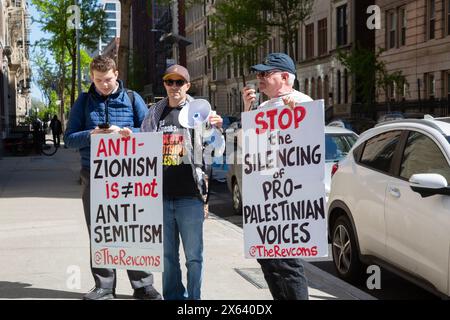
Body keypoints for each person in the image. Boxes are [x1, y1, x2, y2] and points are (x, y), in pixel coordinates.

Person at [64, 55, 162, 300]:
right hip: (94, 174)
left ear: (116, 74)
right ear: (91, 78)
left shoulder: (132, 98)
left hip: (130, 175)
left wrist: (131, 132)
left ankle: (143, 285)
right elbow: (69, 139)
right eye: (98, 80)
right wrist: (92, 134)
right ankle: (104, 286)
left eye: (107, 79)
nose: (104, 85)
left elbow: (151, 129)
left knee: (133, 228)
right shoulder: (84, 101)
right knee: (100, 229)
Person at [141, 64, 223, 300]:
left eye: (179, 82)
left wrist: (216, 129)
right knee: (167, 257)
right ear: (165, 84)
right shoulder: (154, 113)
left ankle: (195, 300)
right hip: (162, 197)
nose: (174, 86)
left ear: (188, 85)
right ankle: (174, 298)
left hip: (190, 197)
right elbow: (141, 150)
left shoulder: (200, 112)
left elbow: (216, 152)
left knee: (194, 257)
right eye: (170, 81)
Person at [241, 52, 313, 300]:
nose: (258, 78)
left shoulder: (302, 102)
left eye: (265, 74)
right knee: (268, 260)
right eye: (258, 73)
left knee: (288, 264)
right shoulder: (262, 107)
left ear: (285, 77)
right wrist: (247, 112)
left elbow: (308, 152)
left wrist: (297, 120)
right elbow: (249, 148)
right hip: (266, 195)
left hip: (287, 199)